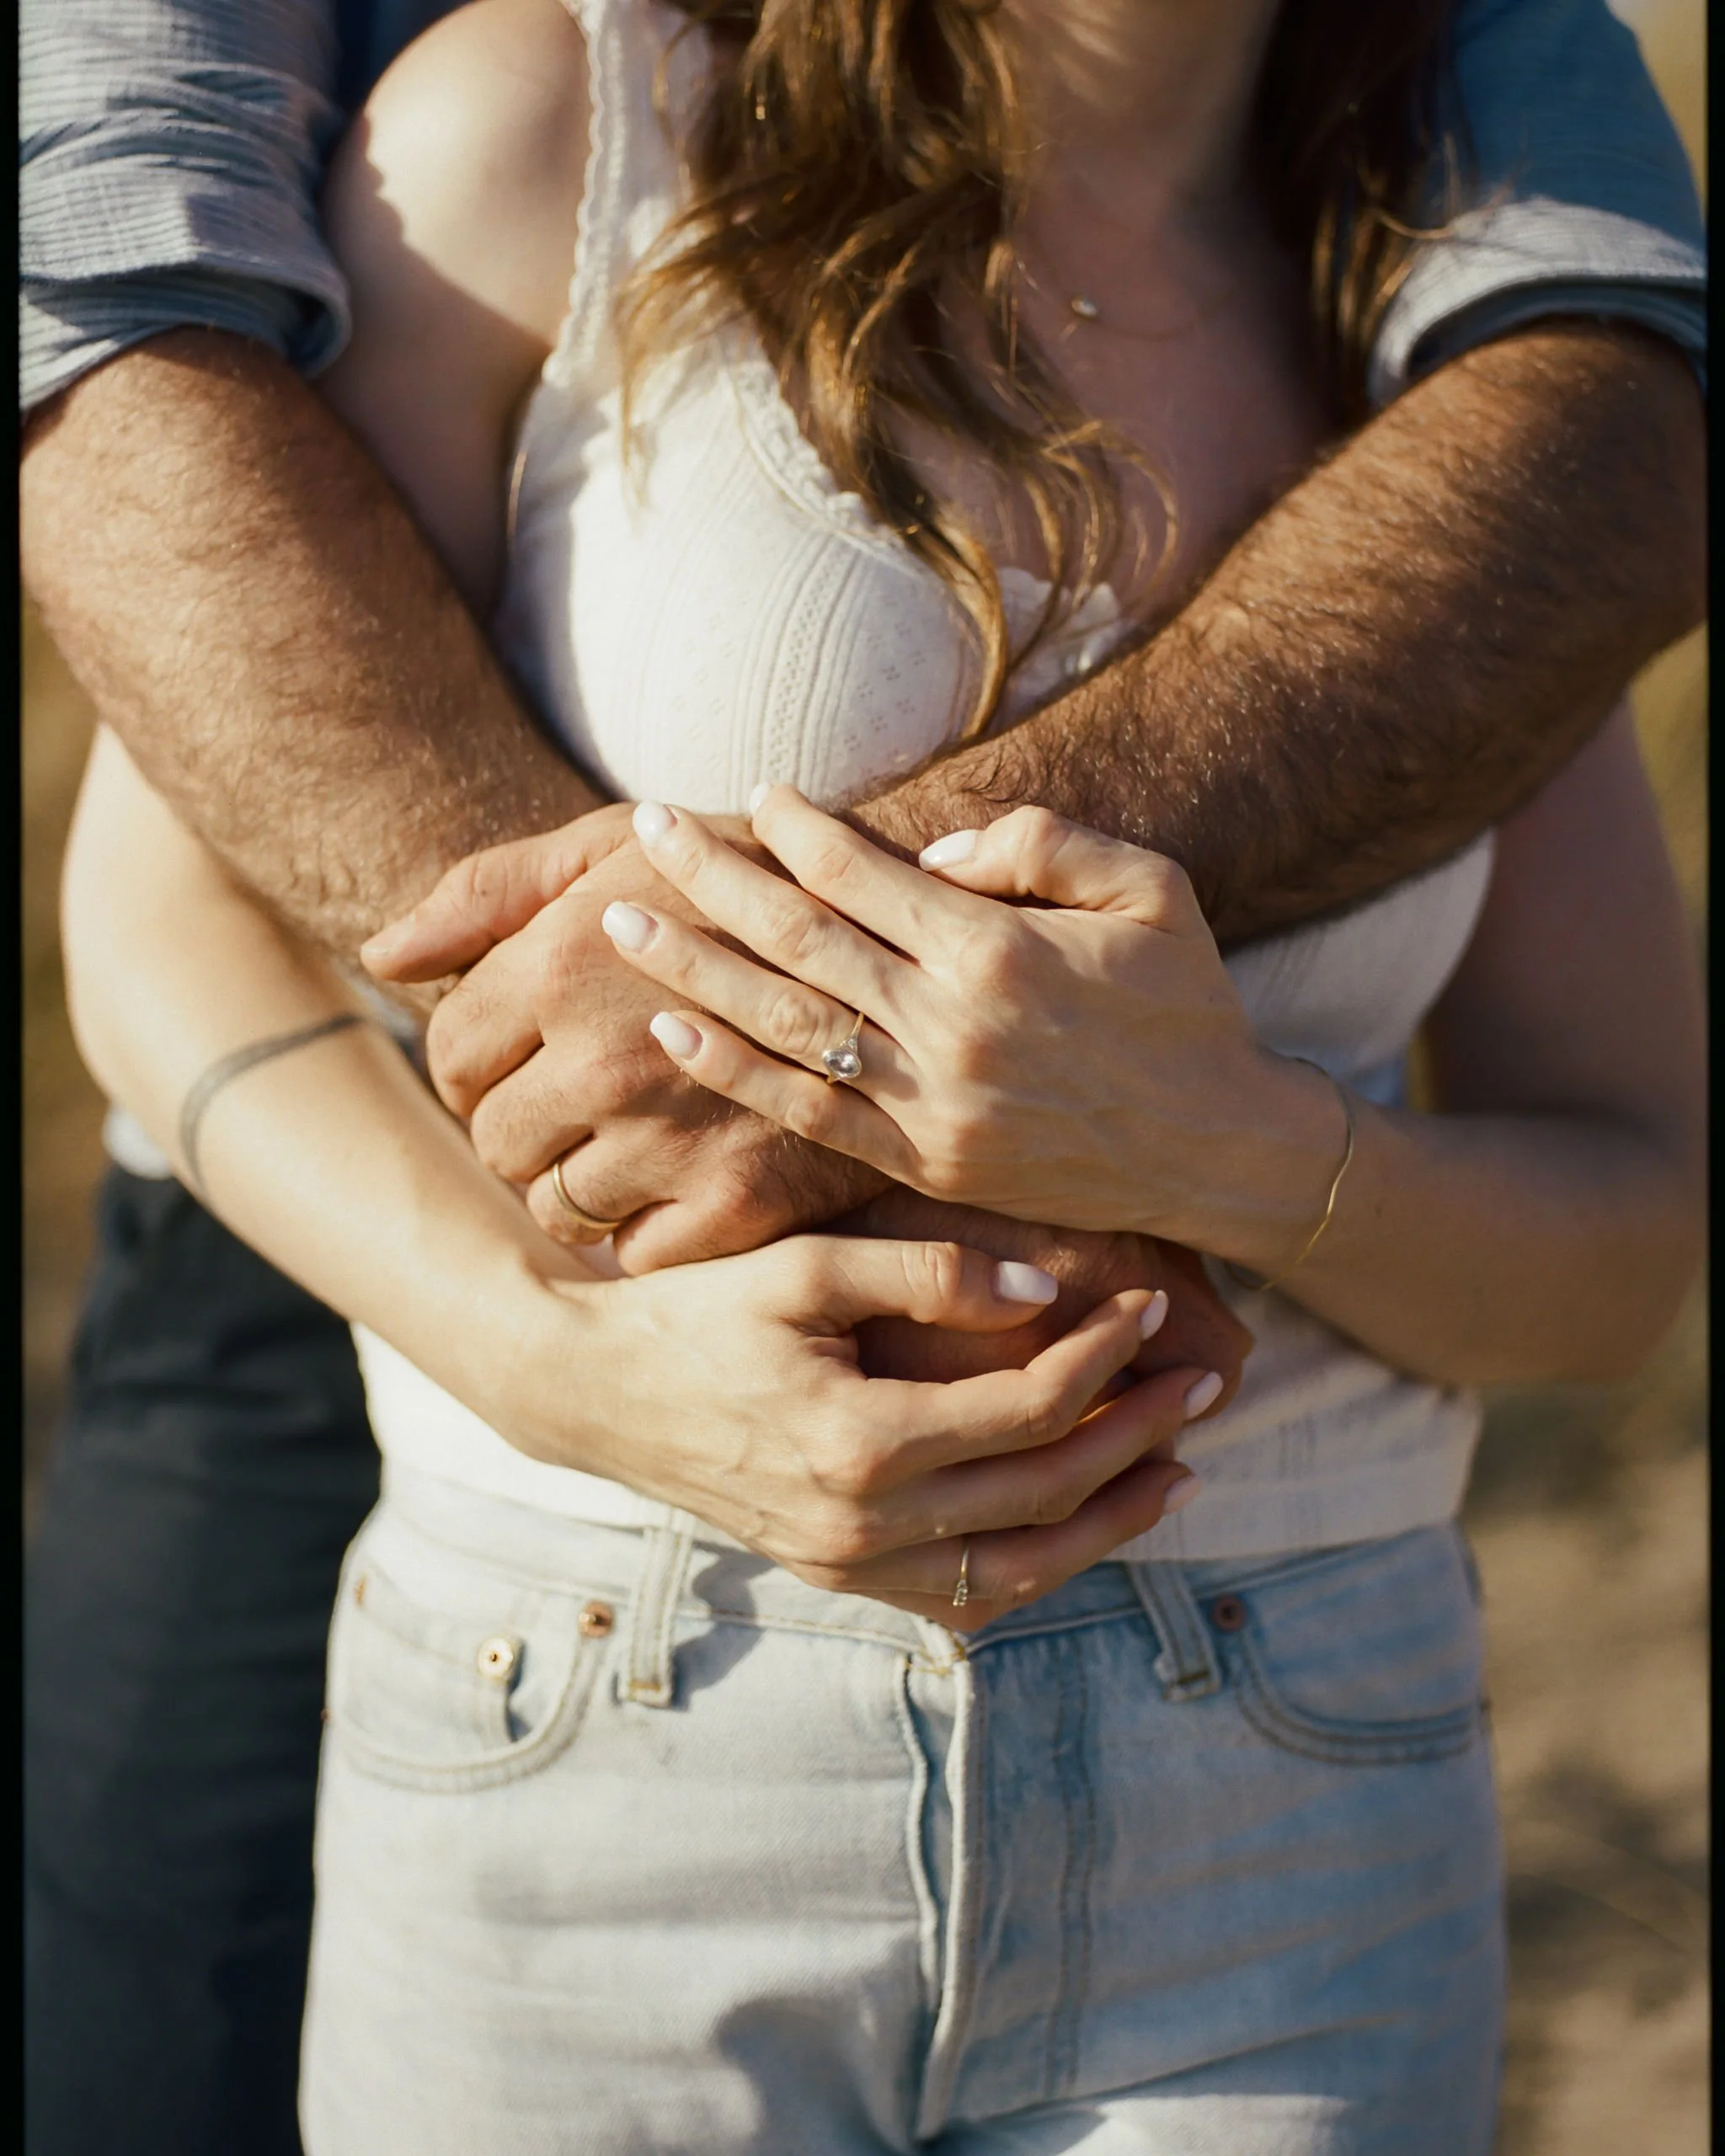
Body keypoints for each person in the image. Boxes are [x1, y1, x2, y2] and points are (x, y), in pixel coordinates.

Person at [19, 0, 1706, 2148]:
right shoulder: (548, 136)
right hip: (605, 1699)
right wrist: (558, 1357)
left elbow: (1623, 1236)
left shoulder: (1466, 355)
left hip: (1281, 1779)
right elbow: (162, 922)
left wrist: (1249, 1151)